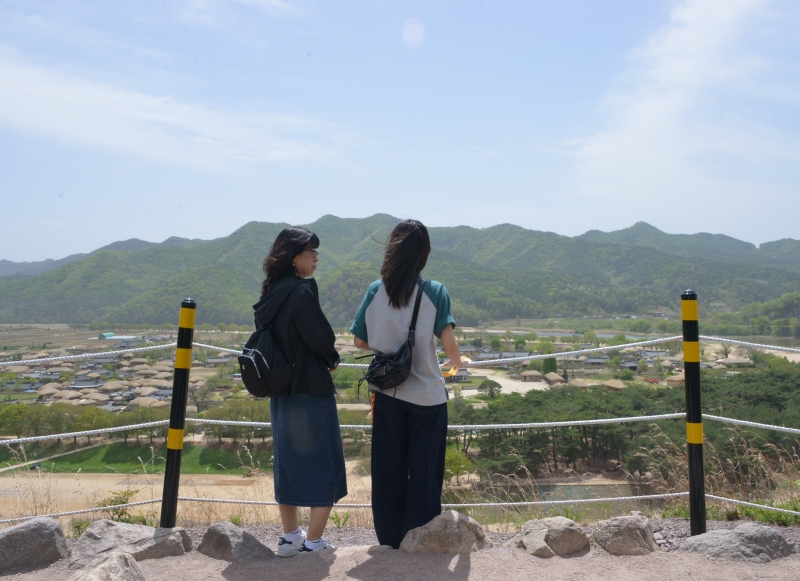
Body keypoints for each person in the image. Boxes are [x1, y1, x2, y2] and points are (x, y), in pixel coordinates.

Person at [350, 219, 462, 549]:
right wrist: (458, 361)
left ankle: (389, 541)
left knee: (388, 470)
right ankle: (419, 540)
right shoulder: (435, 291)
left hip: (387, 393)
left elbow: (359, 341)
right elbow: (450, 346)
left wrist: (390, 346)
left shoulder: (376, 289)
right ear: (423, 254)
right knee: (425, 472)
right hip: (427, 396)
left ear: (392, 251)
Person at [253, 226, 346, 556]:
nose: (316, 259)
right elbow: (320, 338)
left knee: (288, 463)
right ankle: (314, 543)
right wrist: (332, 359)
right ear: (294, 257)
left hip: (280, 391)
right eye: (312, 253)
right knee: (326, 463)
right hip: (309, 388)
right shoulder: (302, 291)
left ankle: (290, 537)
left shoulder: (272, 291)